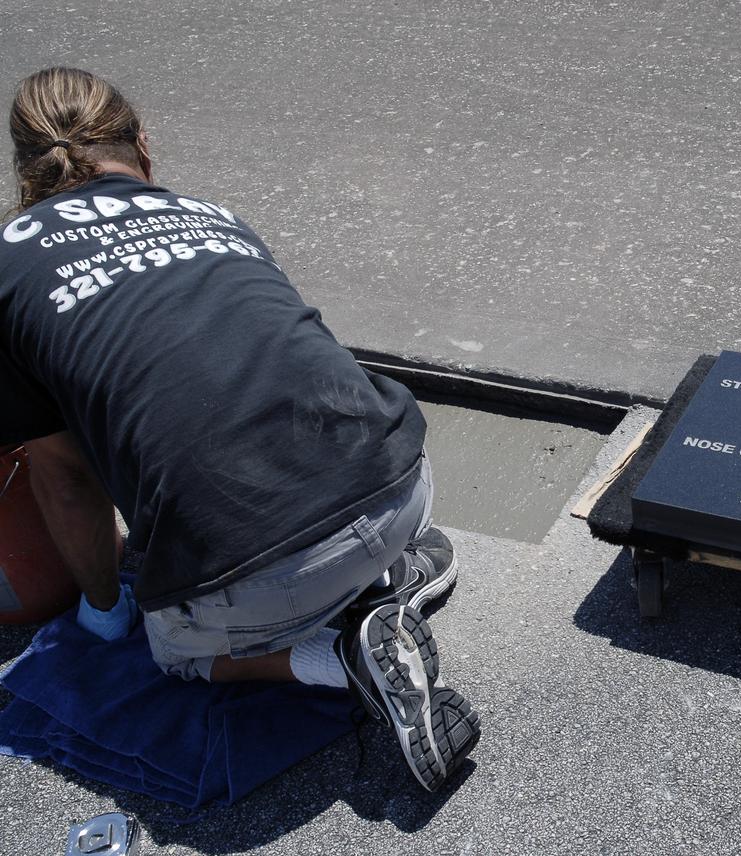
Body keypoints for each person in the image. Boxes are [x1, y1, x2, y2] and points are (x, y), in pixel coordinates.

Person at [0, 68, 479, 792]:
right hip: (400, 482)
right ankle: (389, 575)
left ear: (28, 174)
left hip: (260, 576)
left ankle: (342, 655)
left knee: (173, 652)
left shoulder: (8, 263)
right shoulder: (208, 213)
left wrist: (104, 607)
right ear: (144, 150)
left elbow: (64, 477)